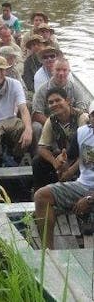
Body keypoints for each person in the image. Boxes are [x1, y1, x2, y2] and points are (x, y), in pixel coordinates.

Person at [34, 100, 94, 249]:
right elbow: (70, 156)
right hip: (84, 185)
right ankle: (47, 252)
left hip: (90, 194)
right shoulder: (83, 133)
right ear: (90, 118)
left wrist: (89, 199)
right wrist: (62, 163)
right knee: (41, 196)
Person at [32, 87, 88, 191]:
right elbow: (42, 148)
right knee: (38, 161)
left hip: (83, 157)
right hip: (64, 157)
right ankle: (41, 194)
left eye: (58, 100)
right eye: (51, 102)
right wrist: (55, 163)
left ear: (67, 101)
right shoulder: (51, 120)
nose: (54, 104)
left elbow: (87, 152)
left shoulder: (82, 118)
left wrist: (70, 171)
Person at [32, 58, 87, 130]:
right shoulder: (42, 90)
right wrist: (54, 127)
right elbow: (37, 114)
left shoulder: (76, 89)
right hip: (48, 123)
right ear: (52, 71)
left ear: (69, 72)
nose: (61, 73)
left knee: (85, 119)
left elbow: (81, 110)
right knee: (36, 127)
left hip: (71, 123)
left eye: (64, 70)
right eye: (58, 70)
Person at [22, 34, 46, 99]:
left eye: (39, 44)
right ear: (30, 48)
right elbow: (28, 81)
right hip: (36, 90)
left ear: (44, 46)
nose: (36, 47)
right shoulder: (28, 62)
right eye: (33, 45)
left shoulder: (50, 57)